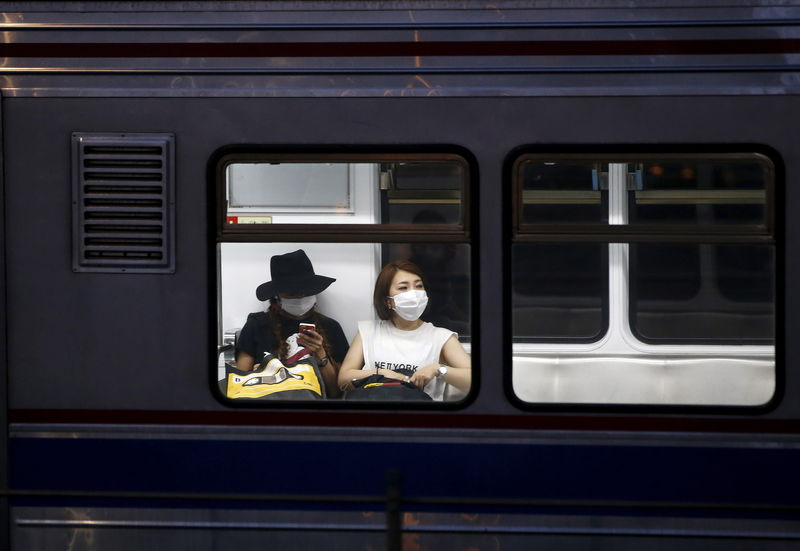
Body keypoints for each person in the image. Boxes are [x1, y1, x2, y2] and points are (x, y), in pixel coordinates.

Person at [337, 260, 471, 401]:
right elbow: (343, 379)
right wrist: (380, 373)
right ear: (387, 301)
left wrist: (438, 369)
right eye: (403, 288)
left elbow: (473, 379)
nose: (414, 293)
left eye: (419, 286)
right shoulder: (369, 331)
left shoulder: (441, 337)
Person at [235, 249, 349, 398]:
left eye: (305, 292)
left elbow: (336, 392)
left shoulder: (331, 327)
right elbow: (239, 384)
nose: (300, 298)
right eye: (291, 294)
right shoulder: (257, 325)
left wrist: (320, 354)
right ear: (278, 296)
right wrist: (261, 372)